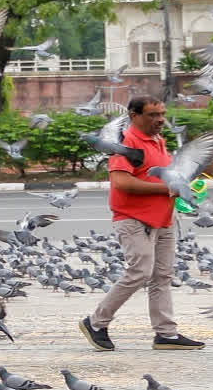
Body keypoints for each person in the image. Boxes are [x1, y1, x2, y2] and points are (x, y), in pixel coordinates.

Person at [79, 96, 205, 351]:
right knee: (140, 272)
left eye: (162, 114)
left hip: (164, 219)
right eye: (153, 115)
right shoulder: (126, 144)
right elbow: (122, 182)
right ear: (134, 116)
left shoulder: (159, 140)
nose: (160, 120)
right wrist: (166, 188)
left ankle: (166, 334)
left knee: (162, 276)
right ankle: (96, 323)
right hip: (133, 219)